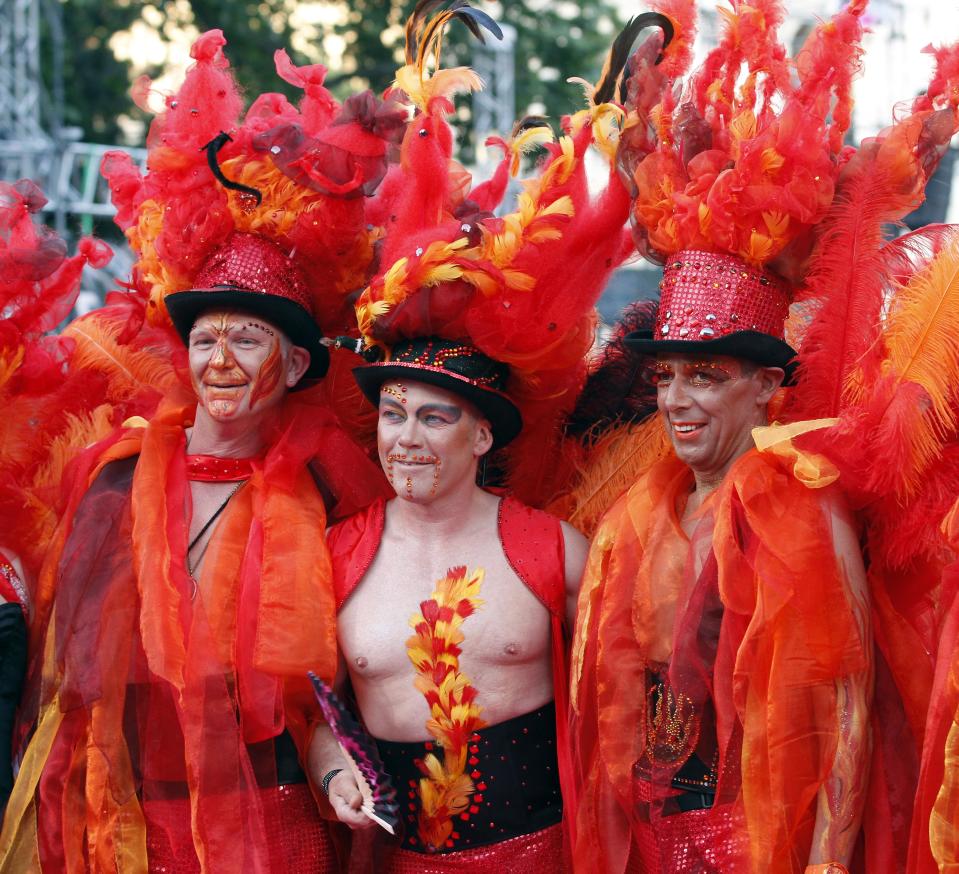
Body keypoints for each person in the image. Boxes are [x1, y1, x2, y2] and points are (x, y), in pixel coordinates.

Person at [568, 1, 959, 871]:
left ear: (765, 389)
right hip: (652, 841)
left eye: (706, 377)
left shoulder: (797, 501)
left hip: (759, 846)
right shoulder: (642, 508)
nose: (677, 400)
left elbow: (847, 715)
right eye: (667, 376)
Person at [0, 31, 395, 871]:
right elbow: (72, 677)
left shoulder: (332, 489)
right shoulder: (110, 474)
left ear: (292, 365)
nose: (219, 361)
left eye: (246, 340)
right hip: (127, 825)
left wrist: (336, 773)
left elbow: (331, 688)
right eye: (205, 337)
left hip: (278, 825)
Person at [304, 5, 646, 870]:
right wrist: (336, 769)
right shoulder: (332, 556)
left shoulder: (556, 551)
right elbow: (316, 714)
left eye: (433, 416)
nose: (405, 438)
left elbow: (622, 700)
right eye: (392, 414)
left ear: (481, 435)